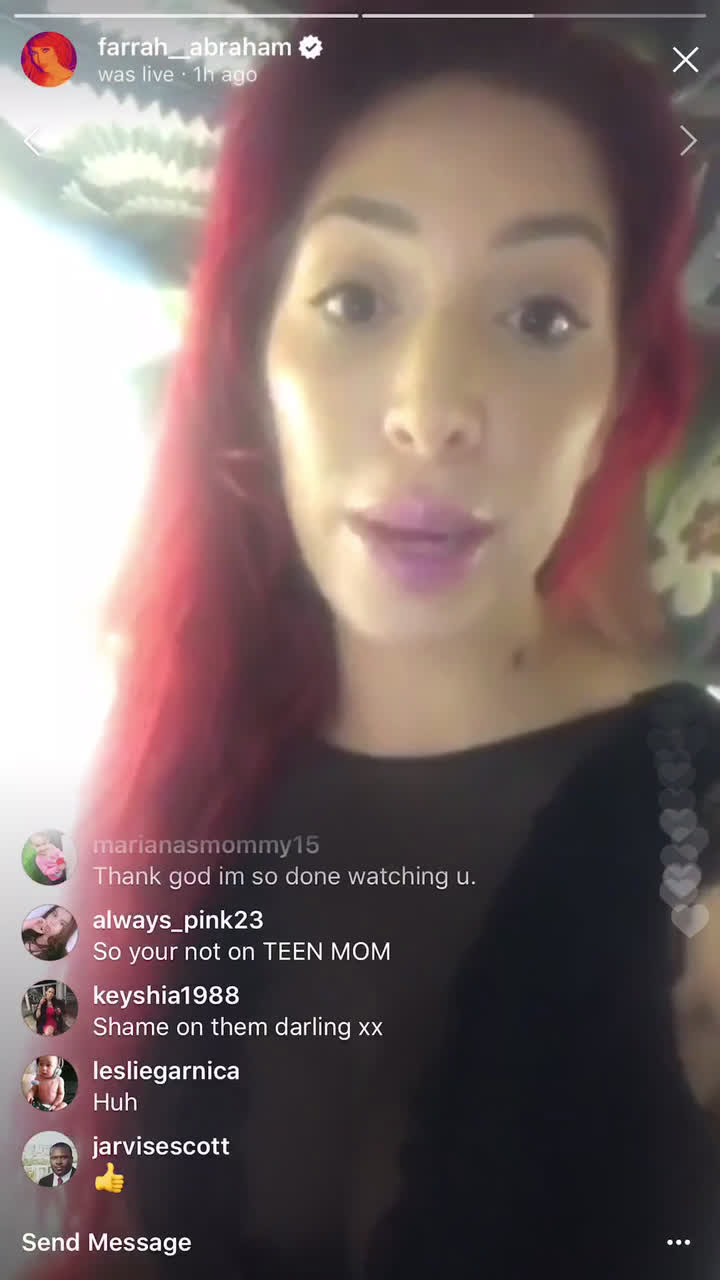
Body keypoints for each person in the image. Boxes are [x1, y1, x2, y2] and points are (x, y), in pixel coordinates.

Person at [37, 6, 720, 1280]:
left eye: (540, 316)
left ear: (618, 397)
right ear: (255, 359)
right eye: (354, 298)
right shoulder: (170, 762)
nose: (430, 407)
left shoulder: (698, 817)